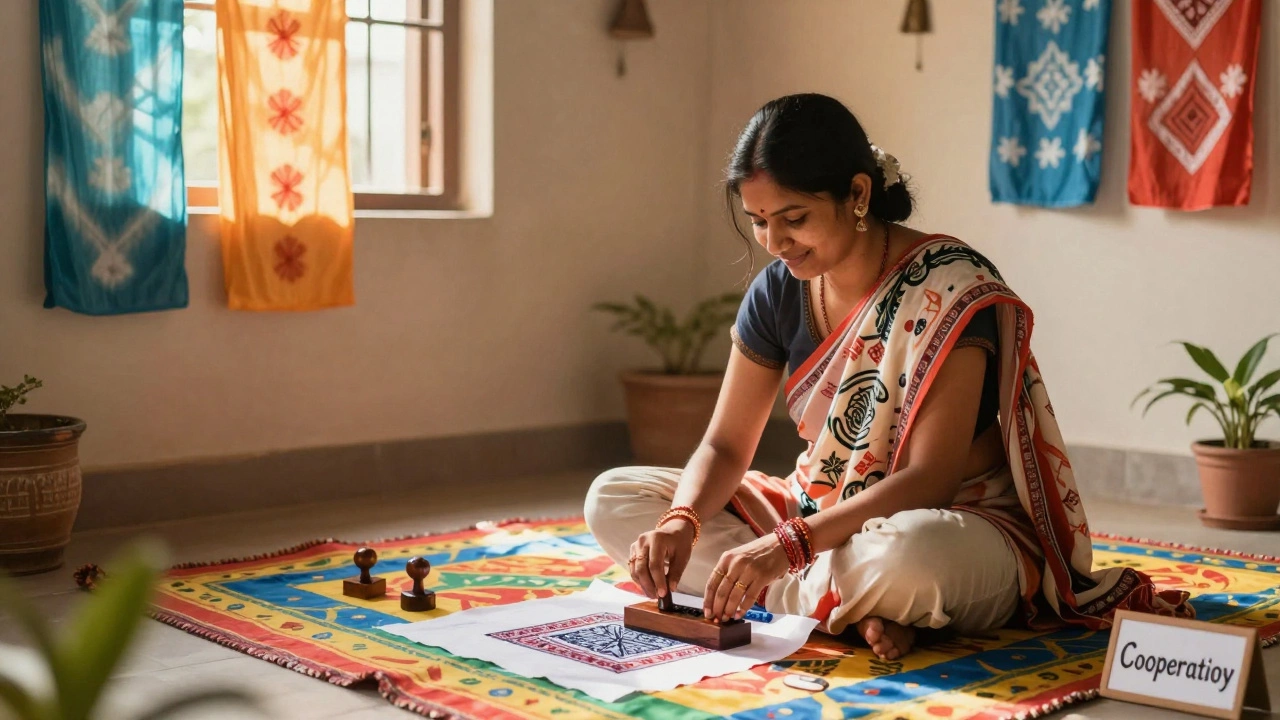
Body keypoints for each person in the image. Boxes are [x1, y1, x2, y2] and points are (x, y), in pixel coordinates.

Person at [585, 93, 1191, 661]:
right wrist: (680, 520)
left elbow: (929, 481)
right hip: (818, 506)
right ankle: (850, 608)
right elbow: (724, 444)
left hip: (955, 519)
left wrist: (787, 549)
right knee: (612, 499)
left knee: (905, 559)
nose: (775, 243)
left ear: (856, 192)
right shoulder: (778, 291)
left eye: (793, 217)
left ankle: (818, 597)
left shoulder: (949, 288)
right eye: (759, 221)